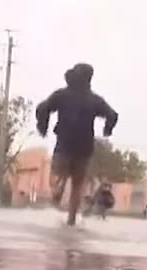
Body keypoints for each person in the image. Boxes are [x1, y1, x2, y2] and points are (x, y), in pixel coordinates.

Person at [35, 63, 118, 226]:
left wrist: (42, 126)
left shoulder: (61, 95)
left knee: (58, 175)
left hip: (64, 145)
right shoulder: (95, 100)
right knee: (77, 186)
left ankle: (59, 187)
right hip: (84, 148)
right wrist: (107, 129)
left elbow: (42, 108)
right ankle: (71, 221)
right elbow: (112, 115)